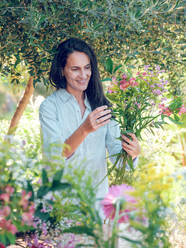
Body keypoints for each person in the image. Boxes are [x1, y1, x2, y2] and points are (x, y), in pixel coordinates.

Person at [39, 38, 140, 216]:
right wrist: (84, 129)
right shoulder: (50, 107)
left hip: (98, 203)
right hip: (64, 205)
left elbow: (118, 158)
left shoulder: (102, 105)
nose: (83, 74)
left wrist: (132, 153)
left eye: (87, 67)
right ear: (62, 71)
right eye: (75, 69)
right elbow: (54, 155)